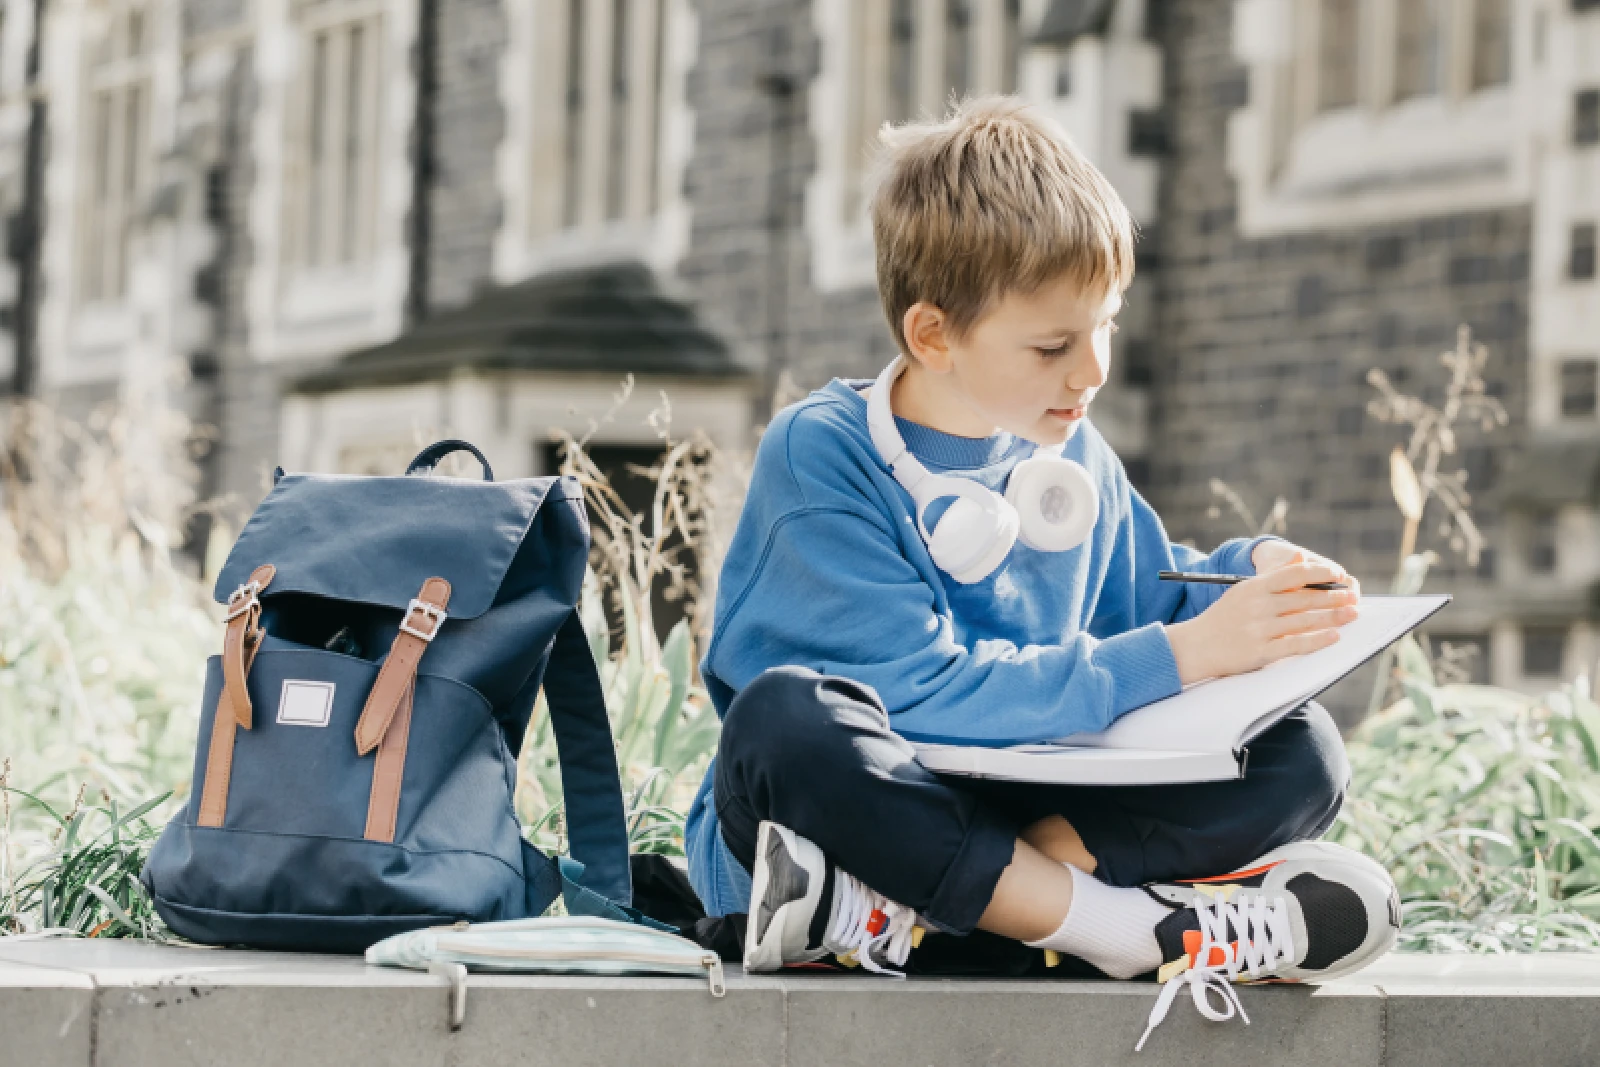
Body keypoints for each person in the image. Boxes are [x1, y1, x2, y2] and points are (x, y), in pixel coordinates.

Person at [681, 96, 1399, 1041]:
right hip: (846, 810)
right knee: (784, 719)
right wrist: (1181, 655)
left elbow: (1150, 591)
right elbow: (917, 692)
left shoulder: (1069, 450)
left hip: (980, 831)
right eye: (1054, 345)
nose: (1091, 369)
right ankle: (1131, 927)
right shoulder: (823, 454)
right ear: (933, 335)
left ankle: (938, 917)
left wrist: (1249, 570)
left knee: (1302, 750)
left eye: (1105, 325)